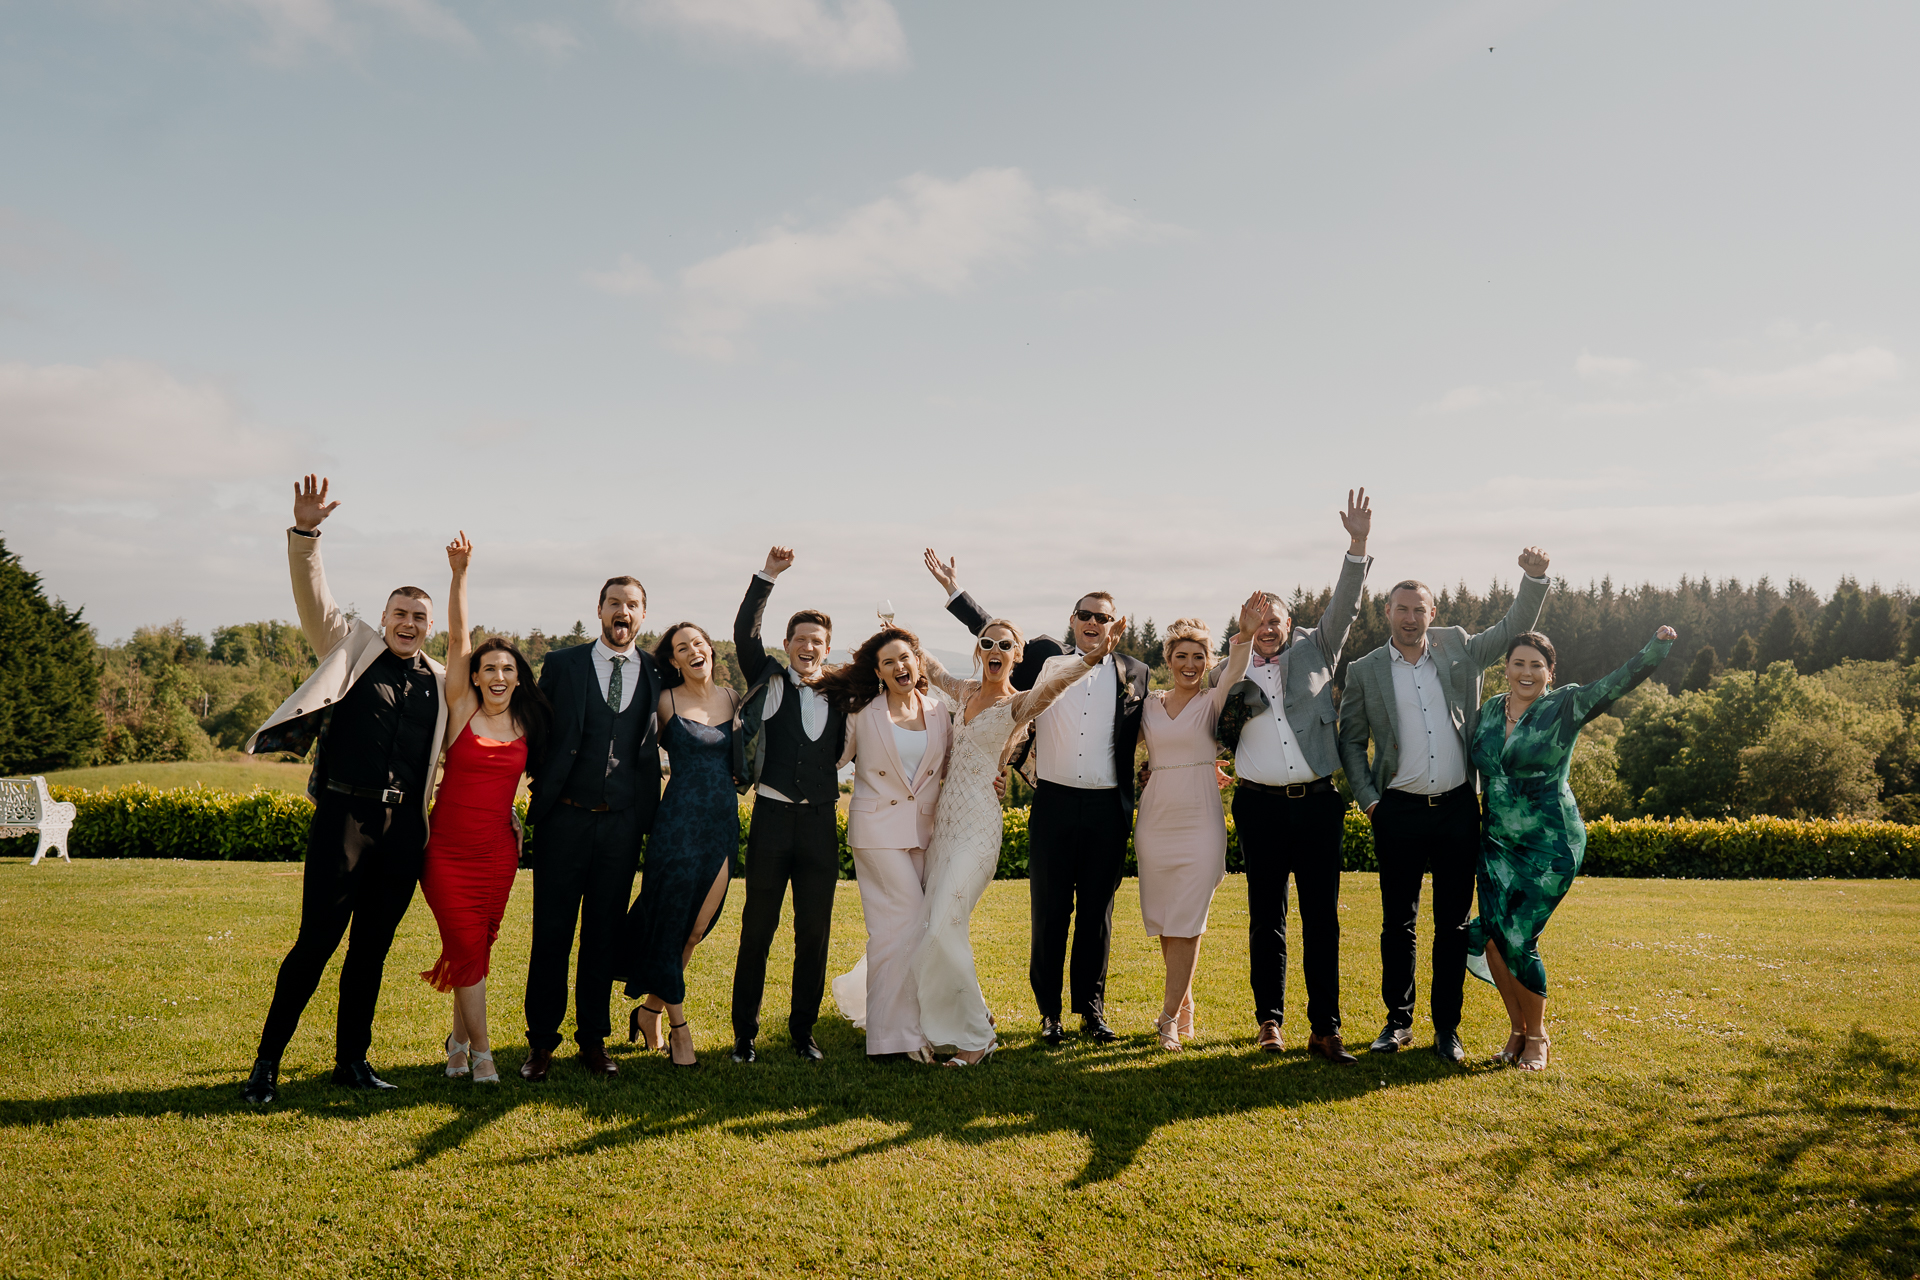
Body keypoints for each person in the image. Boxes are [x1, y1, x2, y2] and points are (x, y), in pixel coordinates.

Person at [240, 475, 448, 1104]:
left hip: (405, 829)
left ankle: (351, 1061)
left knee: (372, 950)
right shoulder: (349, 646)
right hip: (344, 817)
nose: (408, 624)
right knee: (316, 942)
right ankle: (266, 1065)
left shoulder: (441, 681)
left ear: (429, 628)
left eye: (419, 618)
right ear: (382, 619)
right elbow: (314, 596)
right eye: (400, 615)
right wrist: (306, 533)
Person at [925, 552, 1151, 1047]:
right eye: (1085, 615)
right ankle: (1049, 1014)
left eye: (1103, 616)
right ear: (1072, 621)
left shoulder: (1137, 672)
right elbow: (996, 636)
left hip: (1108, 809)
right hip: (1053, 804)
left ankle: (1092, 1012)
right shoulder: (1047, 660)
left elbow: (1148, 728)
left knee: (1097, 914)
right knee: (1050, 912)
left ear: (1118, 624)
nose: (1093, 623)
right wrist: (953, 591)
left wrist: (1164, 768)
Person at [1335, 550, 1551, 1064]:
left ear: (1433, 614)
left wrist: (1534, 578)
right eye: (1401, 609)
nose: (1411, 618)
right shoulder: (1365, 671)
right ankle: (1398, 1022)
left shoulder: (1459, 648)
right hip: (1397, 812)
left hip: (1457, 808)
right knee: (1398, 924)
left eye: (1420, 609)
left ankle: (1447, 1029)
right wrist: (1369, 802)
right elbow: (1350, 742)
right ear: (1387, 613)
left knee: (1453, 924)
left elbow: (1514, 627)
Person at [1469, 626, 1676, 1071]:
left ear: (1550, 672)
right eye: (1518, 663)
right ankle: (1516, 1030)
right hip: (1496, 842)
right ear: (1505, 668)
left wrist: (1656, 646)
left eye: (1536, 665)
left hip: (1548, 842)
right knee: (1490, 938)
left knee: (1520, 938)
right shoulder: (1487, 711)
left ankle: (1538, 1036)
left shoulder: (1566, 705)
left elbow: (1618, 681)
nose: (1527, 672)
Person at [1213, 489, 1372, 1062]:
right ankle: (1269, 1021)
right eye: (1256, 623)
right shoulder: (1229, 666)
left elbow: (1348, 604)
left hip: (1318, 803)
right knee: (1267, 917)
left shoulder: (1317, 647)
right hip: (1257, 805)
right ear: (1245, 626)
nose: (1267, 630)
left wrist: (1356, 545)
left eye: (1274, 621)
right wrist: (1238, 645)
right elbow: (1217, 710)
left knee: (1321, 919)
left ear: (1290, 622)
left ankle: (1326, 1028)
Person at [417, 534, 551, 1086]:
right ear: (474, 676)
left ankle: (456, 1041)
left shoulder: (526, 723)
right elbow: (456, 636)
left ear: (519, 678)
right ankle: (484, 1054)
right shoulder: (461, 707)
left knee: (475, 949)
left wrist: (520, 820)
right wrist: (460, 574)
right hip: (446, 853)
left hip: (499, 854)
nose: (497, 677)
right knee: (465, 944)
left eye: (507, 670)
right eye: (488, 668)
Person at [520, 573, 662, 1082]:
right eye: (614, 603)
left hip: (621, 827)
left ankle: (593, 1040)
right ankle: (540, 1042)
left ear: (643, 616)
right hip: (564, 820)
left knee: (602, 936)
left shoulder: (654, 673)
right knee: (551, 934)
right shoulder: (562, 664)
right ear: (600, 610)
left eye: (633, 605)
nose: (623, 612)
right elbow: (534, 727)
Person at [726, 546, 846, 1064]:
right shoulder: (769, 678)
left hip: (821, 823)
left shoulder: (845, 691)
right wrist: (766, 577)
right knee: (758, 929)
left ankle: (802, 1032)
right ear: (788, 644)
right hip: (773, 820)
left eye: (816, 641)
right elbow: (743, 635)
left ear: (827, 648)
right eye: (800, 639)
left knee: (813, 934)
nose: (807, 647)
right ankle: (745, 1035)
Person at [1131, 598, 1262, 1051]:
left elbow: (1237, 671)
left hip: (1200, 818)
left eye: (1198, 657)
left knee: (1188, 918)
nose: (1189, 665)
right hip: (1155, 818)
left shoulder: (1213, 699)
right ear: (1167, 660)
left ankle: (1167, 1018)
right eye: (1181, 656)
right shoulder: (1147, 705)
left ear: (1207, 662)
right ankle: (1184, 1005)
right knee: (1168, 921)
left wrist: (1243, 634)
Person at [821, 626, 951, 1063]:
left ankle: (907, 1027)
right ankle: (892, 1039)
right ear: (878, 673)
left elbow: (948, 769)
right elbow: (835, 759)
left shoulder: (939, 712)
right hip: (876, 833)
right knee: (901, 926)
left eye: (905, 658)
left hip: (923, 833)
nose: (900, 667)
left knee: (906, 933)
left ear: (918, 661)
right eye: (889, 662)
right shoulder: (864, 712)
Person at [619, 622, 741, 1069]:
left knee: (695, 930)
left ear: (710, 649)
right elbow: (632, 751)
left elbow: (748, 755)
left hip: (722, 827)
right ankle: (678, 1027)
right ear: (672, 660)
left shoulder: (733, 698)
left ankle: (647, 1011)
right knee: (672, 926)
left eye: (698, 643)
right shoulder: (665, 701)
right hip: (678, 826)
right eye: (681, 648)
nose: (692, 651)